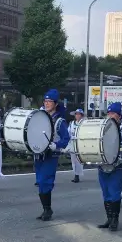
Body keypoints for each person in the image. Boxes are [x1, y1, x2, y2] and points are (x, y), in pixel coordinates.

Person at [96, 102, 122, 232]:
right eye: (108, 113)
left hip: (118, 166)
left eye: (113, 113)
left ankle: (115, 220)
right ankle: (109, 219)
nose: (110, 116)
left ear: (119, 116)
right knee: (105, 193)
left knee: (114, 192)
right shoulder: (101, 129)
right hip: (103, 164)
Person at [35, 89, 70, 221]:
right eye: (45, 101)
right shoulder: (40, 117)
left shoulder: (60, 121)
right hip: (39, 154)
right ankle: (46, 209)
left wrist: (57, 145)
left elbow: (66, 139)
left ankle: (47, 209)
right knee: (40, 182)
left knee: (45, 181)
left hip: (51, 155)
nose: (47, 103)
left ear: (55, 104)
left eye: (50, 101)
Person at [69, 108, 85, 183]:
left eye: (79, 114)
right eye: (76, 114)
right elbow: (68, 133)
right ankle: (75, 174)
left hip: (80, 143)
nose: (77, 116)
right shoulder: (72, 123)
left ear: (81, 115)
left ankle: (77, 175)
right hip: (72, 143)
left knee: (79, 160)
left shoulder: (84, 123)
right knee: (73, 160)